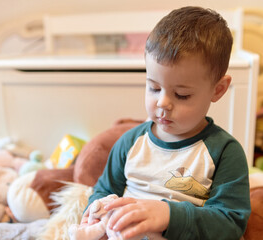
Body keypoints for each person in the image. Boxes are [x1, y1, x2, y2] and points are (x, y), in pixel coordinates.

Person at [80, 6, 251, 239]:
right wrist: (96, 210)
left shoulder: (224, 152)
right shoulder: (131, 142)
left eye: (181, 95)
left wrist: (169, 215)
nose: (163, 103)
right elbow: (105, 190)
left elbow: (230, 222)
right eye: (154, 87)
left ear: (218, 89)